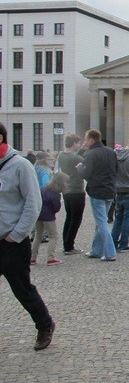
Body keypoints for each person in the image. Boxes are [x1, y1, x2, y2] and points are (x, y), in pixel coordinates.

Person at [0, 122, 56, 351]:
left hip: (11, 241)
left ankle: (44, 325)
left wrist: (16, 235)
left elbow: (33, 204)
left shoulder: (20, 166)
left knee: (22, 289)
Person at [78, 129, 118, 261]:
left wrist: (79, 168)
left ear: (91, 139)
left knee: (101, 222)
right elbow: (115, 170)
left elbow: (86, 174)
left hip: (97, 191)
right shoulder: (111, 152)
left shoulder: (91, 154)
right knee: (101, 221)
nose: (84, 141)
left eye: (85, 139)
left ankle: (110, 252)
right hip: (110, 191)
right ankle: (96, 250)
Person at [58, 134, 86, 255]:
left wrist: (82, 149)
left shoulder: (61, 155)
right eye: (78, 143)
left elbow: (75, 156)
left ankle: (66, 243)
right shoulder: (76, 159)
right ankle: (69, 246)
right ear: (74, 143)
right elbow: (83, 162)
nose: (79, 145)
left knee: (69, 217)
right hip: (77, 190)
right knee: (76, 219)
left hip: (67, 191)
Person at [32, 172, 68, 266]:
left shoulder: (43, 188)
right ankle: (50, 258)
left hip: (38, 214)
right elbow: (56, 208)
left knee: (38, 236)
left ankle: (32, 258)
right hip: (48, 217)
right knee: (53, 236)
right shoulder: (56, 194)